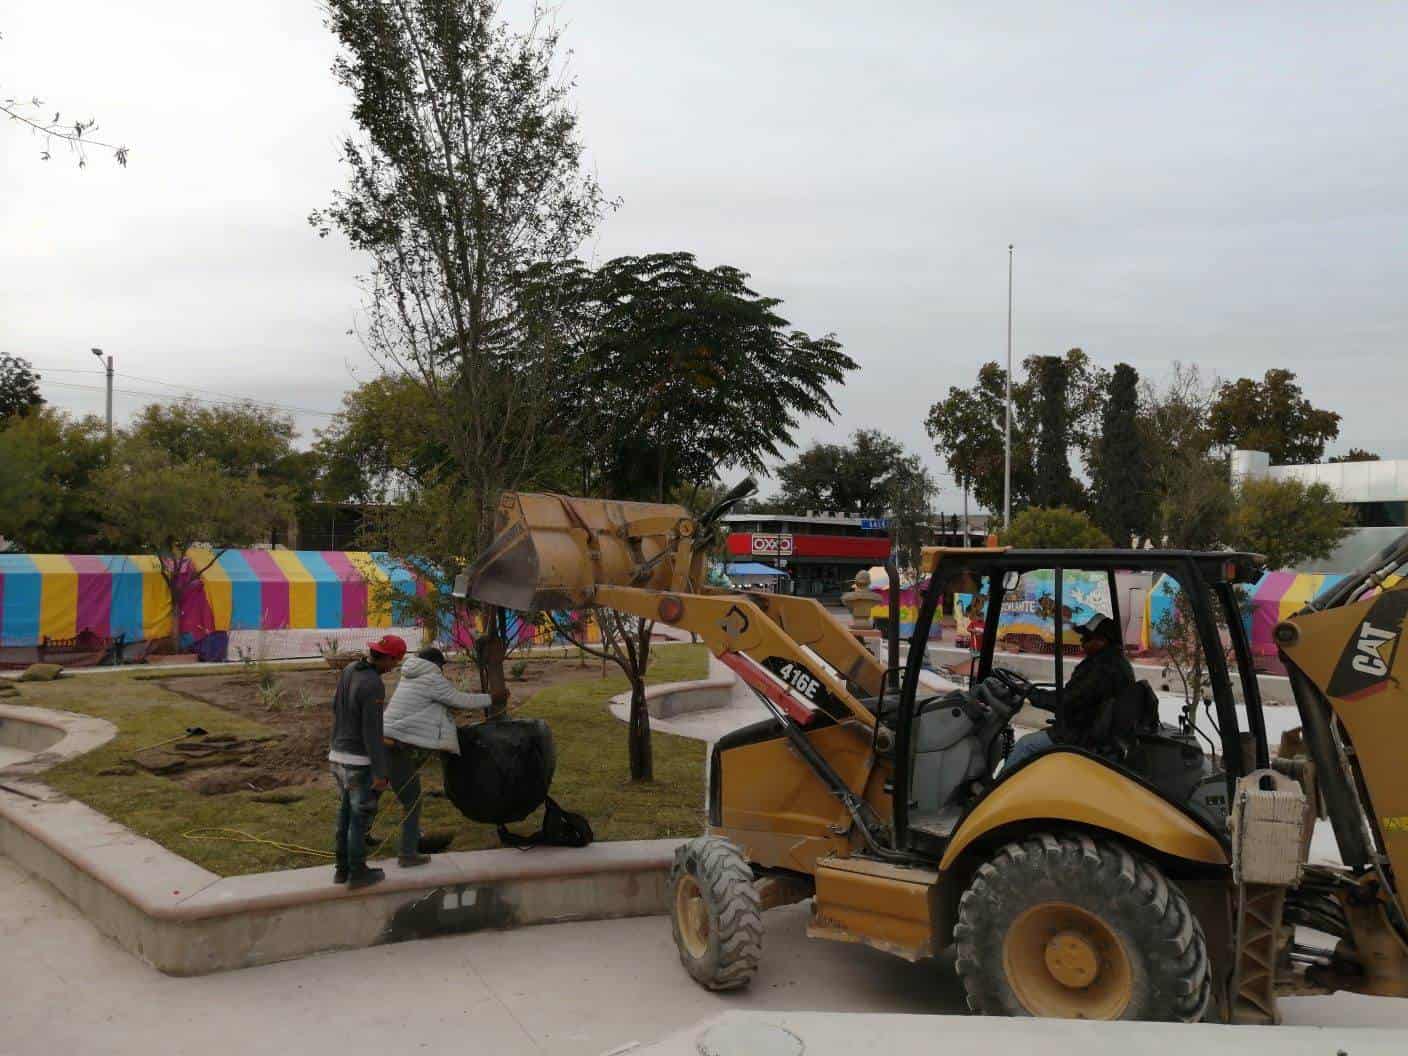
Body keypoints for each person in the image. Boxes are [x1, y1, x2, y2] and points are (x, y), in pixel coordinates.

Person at [381, 646, 507, 867]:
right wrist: (492, 698)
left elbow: (431, 706)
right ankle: (408, 853)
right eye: (441, 665)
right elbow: (458, 699)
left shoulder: (410, 676)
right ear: (434, 664)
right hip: (393, 746)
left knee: (373, 791)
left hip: (383, 740)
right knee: (412, 800)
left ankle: (361, 836)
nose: (441, 670)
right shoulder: (430, 677)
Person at [1003, 615, 1135, 771]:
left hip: (1084, 736)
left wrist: (1031, 694)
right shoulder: (1113, 661)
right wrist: (1032, 691)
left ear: (1102, 641)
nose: (1082, 641)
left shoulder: (1102, 668)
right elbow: (1075, 696)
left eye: (1087, 637)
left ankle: (994, 792)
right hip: (1092, 729)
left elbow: (1068, 700)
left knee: (1025, 745)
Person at [329, 634, 406, 888]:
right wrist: (380, 773)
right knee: (359, 818)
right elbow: (372, 732)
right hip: (357, 762)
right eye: (395, 662)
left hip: (337, 757)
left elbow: (335, 706)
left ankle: (341, 870)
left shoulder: (350, 669)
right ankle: (358, 872)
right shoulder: (373, 684)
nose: (394, 667)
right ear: (388, 658)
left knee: (345, 815)